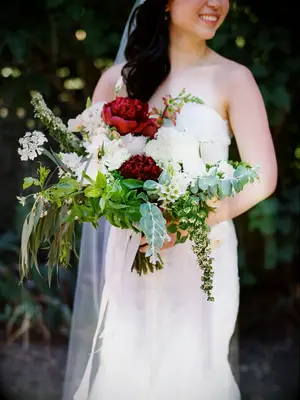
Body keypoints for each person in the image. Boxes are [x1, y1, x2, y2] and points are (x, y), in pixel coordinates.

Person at [63, 1, 278, 399]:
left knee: (194, 370)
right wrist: (119, 201)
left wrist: (185, 221)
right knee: (123, 364)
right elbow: (93, 173)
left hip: (201, 256)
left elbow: (262, 175)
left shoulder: (233, 78)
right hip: (131, 253)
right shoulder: (116, 82)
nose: (215, 4)